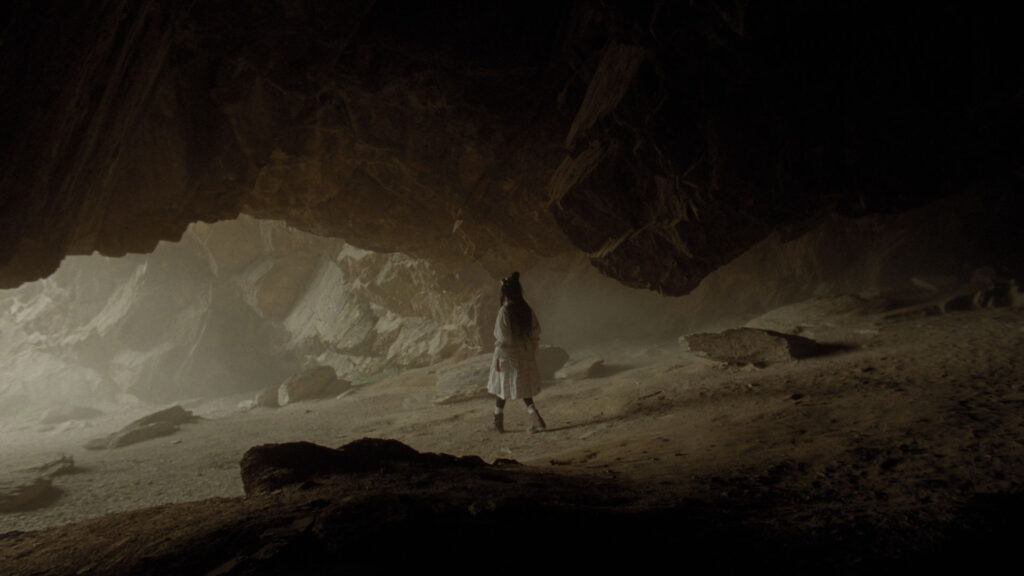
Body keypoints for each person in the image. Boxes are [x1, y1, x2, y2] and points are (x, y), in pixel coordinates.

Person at [487, 272, 546, 433]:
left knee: (502, 388)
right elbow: (535, 332)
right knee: (524, 388)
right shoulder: (526, 309)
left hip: (508, 356)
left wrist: (498, 358)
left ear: (505, 293)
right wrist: (531, 350)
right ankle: (537, 420)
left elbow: (502, 338)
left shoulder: (505, 311)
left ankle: (498, 422)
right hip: (524, 354)